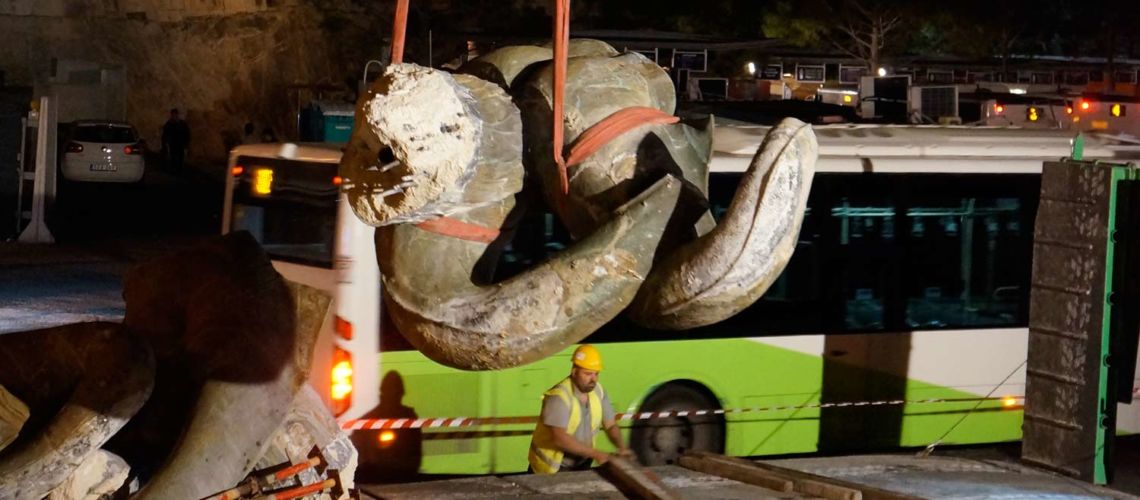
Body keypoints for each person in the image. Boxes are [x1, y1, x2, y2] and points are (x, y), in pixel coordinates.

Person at [528, 344, 632, 474]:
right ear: (574, 372)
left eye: (596, 374)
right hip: (553, 470)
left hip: (582, 464)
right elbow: (560, 438)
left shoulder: (598, 391)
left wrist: (621, 446)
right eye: (588, 374)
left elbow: (610, 425)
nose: (593, 379)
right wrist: (597, 454)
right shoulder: (559, 397)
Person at [162, 108, 190, 173]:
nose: (174, 116)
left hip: (180, 144)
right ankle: (174, 170)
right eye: (173, 115)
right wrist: (165, 143)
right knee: (173, 157)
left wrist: (186, 144)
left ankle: (179, 170)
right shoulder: (169, 124)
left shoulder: (182, 124)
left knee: (180, 158)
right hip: (173, 144)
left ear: (177, 115)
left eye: (175, 114)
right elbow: (165, 134)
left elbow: (187, 134)